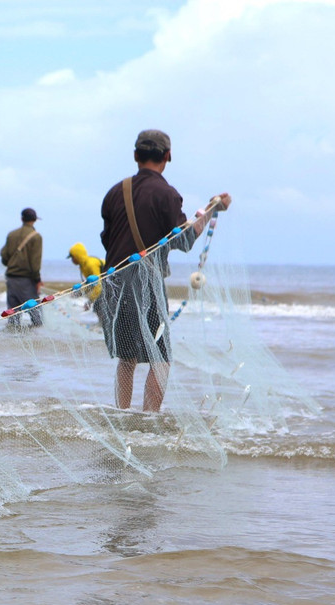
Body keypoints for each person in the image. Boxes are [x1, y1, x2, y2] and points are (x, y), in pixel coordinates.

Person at [99, 129, 232, 411]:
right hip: (147, 286)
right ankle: (149, 420)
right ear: (168, 156)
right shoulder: (166, 194)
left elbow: (106, 239)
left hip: (113, 285)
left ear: (136, 155)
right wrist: (209, 211)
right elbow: (182, 240)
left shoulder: (114, 193)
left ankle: (122, 414)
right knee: (160, 358)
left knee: (127, 358)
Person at [0, 208, 44, 327]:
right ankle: (38, 342)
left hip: (11, 280)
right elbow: (35, 263)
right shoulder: (36, 237)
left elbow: (4, 256)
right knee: (37, 318)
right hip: (27, 281)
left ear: (22, 219)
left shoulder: (11, 234)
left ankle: (12, 343)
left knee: (13, 319)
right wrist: (37, 280)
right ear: (34, 220)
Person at [68, 242, 106, 324]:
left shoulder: (90, 264)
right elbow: (90, 285)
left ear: (77, 256)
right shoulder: (83, 266)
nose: (72, 260)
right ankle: (102, 325)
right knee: (98, 307)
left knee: (99, 306)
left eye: (72, 257)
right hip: (104, 285)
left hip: (108, 283)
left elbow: (98, 285)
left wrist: (90, 301)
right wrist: (80, 293)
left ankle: (103, 325)